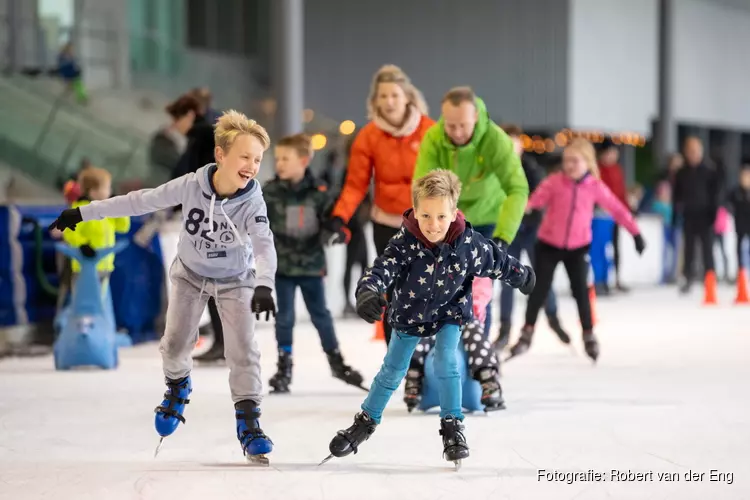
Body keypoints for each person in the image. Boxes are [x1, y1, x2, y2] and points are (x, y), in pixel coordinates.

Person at [48, 110, 278, 464]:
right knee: (174, 345)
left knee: (244, 350)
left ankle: (249, 425)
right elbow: (140, 200)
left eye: (258, 159)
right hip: (190, 274)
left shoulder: (253, 203)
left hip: (235, 280)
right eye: (245, 156)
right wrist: (84, 212)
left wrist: (264, 284)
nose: (252, 165)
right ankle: (177, 386)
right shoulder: (190, 185)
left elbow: (264, 244)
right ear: (221, 155)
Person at [322, 170, 535, 468]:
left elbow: (496, 260)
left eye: (440, 216)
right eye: (425, 216)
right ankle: (365, 422)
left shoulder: (468, 244)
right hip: (409, 314)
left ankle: (452, 426)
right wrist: (368, 292)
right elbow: (381, 269)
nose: (433, 225)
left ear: (454, 211)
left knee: (446, 361)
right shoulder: (405, 242)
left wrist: (520, 275)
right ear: (415, 211)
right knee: (392, 371)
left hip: (449, 312)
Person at [507, 139, 645, 363]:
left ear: (587, 163)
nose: (569, 165)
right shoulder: (554, 182)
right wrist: (516, 212)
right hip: (548, 244)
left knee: (581, 291)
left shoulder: (595, 187)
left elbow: (617, 208)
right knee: (539, 290)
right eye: (566, 160)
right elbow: (533, 201)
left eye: (575, 161)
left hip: (578, 247)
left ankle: (589, 334)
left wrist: (635, 233)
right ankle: (527, 332)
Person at [328, 64, 434, 343]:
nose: (388, 102)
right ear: (375, 101)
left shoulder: (429, 131)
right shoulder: (369, 136)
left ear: (407, 97)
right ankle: (395, 357)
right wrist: (340, 217)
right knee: (394, 290)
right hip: (386, 222)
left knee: (425, 289)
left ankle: (425, 358)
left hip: (426, 224)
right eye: (383, 96)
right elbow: (355, 184)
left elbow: (447, 178)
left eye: (394, 95)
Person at [413, 86, 529, 337]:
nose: (456, 132)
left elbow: (517, 188)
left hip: (488, 219)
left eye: (463, 125)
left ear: (475, 116)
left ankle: (479, 351)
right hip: (449, 220)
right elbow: (421, 188)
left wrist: (503, 236)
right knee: (441, 287)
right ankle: (441, 352)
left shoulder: (496, 140)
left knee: (478, 288)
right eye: (450, 125)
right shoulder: (433, 138)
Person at [263, 133, 365, 393]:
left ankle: (336, 361)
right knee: (284, 317)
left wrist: (339, 232)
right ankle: (284, 366)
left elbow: (339, 221)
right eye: (278, 159)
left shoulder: (320, 193)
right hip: (283, 267)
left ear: (304, 160)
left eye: (286, 158)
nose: (280, 164)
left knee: (321, 316)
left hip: (311, 267)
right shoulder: (270, 192)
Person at [493, 124, 569, 350]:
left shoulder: (532, 168)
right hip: (508, 232)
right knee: (507, 279)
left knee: (541, 279)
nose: (510, 147)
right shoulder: (495, 169)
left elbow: (539, 200)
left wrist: (524, 207)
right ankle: (505, 329)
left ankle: (554, 318)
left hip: (532, 231)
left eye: (513, 142)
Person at [403, 276, 505, 413]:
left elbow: (482, 291)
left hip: (466, 317)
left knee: (474, 331)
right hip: (438, 317)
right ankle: (414, 374)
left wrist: (468, 309)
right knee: (422, 330)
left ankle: (487, 378)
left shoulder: (475, 263)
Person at [58, 167, 130, 312]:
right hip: (84, 268)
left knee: (100, 303)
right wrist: (83, 245)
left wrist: (118, 206)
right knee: (83, 302)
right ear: (93, 192)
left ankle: (96, 330)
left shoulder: (107, 209)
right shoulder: (80, 210)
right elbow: (69, 233)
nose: (110, 191)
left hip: (105, 266)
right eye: (107, 188)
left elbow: (123, 227)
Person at [322, 134, 370, 316]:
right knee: (355, 264)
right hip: (352, 223)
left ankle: (356, 301)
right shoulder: (349, 170)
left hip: (355, 222)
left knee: (361, 264)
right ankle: (352, 302)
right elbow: (351, 194)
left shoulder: (353, 168)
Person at [672, 137, 720, 297]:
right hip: (689, 215)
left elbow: (715, 195)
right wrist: (675, 215)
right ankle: (688, 277)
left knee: (707, 249)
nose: (692, 155)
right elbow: (676, 196)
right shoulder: (681, 173)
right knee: (689, 249)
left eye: (695, 151)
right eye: (689, 151)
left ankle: (710, 279)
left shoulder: (710, 171)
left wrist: (713, 214)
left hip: (705, 215)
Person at [597, 139, 632, 293]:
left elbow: (621, 193)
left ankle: (616, 278)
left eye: (614, 153)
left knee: (616, 248)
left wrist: (627, 210)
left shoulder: (618, 170)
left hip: (616, 215)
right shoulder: (598, 170)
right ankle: (601, 280)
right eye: (609, 153)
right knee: (601, 248)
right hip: (602, 216)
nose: (612, 156)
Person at [149, 94, 200, 177]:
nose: (191, 125)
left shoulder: (186, 141)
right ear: (189, 116)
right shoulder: (163, 139)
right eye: (192, 120)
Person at [728, 164, 750, 289]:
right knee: (739, 249)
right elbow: (727, 203)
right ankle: (740, 272)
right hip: (740, 225)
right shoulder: (735, 191)